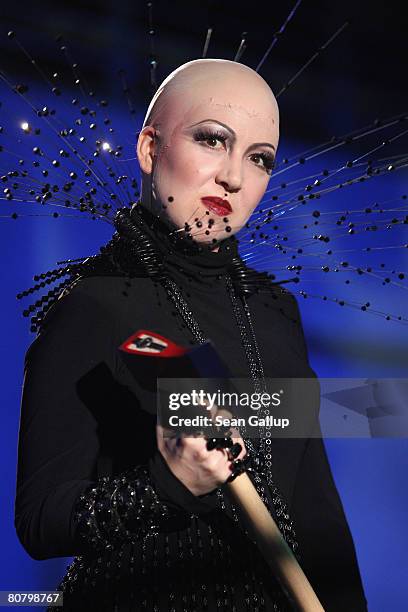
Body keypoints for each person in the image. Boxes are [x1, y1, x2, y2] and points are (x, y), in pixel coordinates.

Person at [14, 58, 368, 611]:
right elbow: (40, 521)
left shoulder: (276, 311)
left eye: (260, 159)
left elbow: (314, 508)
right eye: (211, 140)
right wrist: (168, 483)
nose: (233, 176)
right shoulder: (96, 304)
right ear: (150, 149)